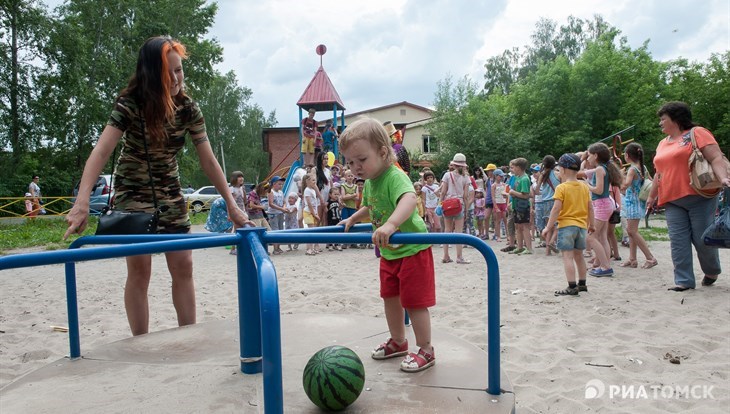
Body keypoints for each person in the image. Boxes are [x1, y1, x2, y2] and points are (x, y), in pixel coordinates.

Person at [64, 36, 250, 336]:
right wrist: (82, 201)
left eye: (180, 70)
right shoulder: (130, 104)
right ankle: (141, 341)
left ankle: (188, 335)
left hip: (169, 190)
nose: (177, 78)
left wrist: (232, 205)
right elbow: (101, 151)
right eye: (170, 72)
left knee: (183, 264)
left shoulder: (188, 108)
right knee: (140, 269)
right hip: (132, 192)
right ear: (153, 75)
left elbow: (209, 161)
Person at [338, 117, 436, 373]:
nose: (355, 167)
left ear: (383, 153)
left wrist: (391, 225)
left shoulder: (395, 176)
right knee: (390, 298)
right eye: (350, 162)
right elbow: (371, 207)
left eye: (361, 160)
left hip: (413, 250)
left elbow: (409, 200)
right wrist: (353, 217)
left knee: (415, 302)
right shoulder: (371, 181)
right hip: (391, 253)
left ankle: (426, 349)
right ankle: (399, 341)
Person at [648, 101, 729, 291]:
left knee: (702, 239)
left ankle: (712, 271)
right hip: (672, 199)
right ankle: (684, 281)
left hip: (699, 195)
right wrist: (652, 197)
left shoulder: (697, 133)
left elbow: (715, 157)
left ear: (675, 119)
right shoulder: (662, 143)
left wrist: (724, 178)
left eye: (663, 119)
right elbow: (659, 174)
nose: (660, 123)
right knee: (678, 241)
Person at [543, 153, 594, 296]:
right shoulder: (584, 186)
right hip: (582, 226)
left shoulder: (562, 188)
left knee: (567, 256)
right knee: (579, 256)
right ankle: (582, 284)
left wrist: (548, 227)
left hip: (566, 226)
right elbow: (590, 207)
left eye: (559, 169)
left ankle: (572, 286)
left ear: (564, 170)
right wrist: (592, 224)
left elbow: (556, 208)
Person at [584, 143, 623, 277]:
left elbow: (599, 190)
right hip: (605, 204)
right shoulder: (603, 167)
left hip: (601, 204)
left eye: (589, 155)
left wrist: (587, 185)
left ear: (595, 155)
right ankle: (603, 264)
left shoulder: (600, 169)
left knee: (591, 237)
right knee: (602, 237)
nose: (587, 158)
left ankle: (605, 266)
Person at [619, 143, 658, 269]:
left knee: (632, 231)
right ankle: (632, 259)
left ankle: (650, 258)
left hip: (632, 202)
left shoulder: (631, 169)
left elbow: (625, 185)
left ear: (627, 155)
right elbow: (651, 180)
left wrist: (620, 176)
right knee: (631, 232)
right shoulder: (643, 167)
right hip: (638, 202)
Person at [440, 153, 471, 264]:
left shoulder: (447, 175)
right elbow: (466, 195)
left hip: (448, 205)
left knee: (447, 230)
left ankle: (445, 255)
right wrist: (466, 209)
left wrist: (440, 203)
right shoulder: (466, 177)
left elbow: (443, 192)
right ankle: (459, 256)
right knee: (459, 231)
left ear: (454, 164)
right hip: (459, 205)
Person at [536, 155, 561, 255]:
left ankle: (547, 251)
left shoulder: (542, 174)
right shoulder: (558, 174)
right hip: (556, 200)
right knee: (558, 224)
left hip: (545, 202)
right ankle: (552, 242)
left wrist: (545, 193)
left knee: (548, 226)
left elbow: (537, 190)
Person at [508, 158, 533, 255]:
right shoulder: (517, 178)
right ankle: (520, 247)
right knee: (518, 226)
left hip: (523, 207)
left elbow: (526, 195)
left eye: (513, 167)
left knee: (525, 227)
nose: (512, 170)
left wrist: (513, 192)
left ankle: (529, 248)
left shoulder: (524, 179)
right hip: (516, 206)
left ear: (518, 168)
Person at [229, 171, 248, 256]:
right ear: (234, 179)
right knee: (236, 230)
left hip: (243, 211)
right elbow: (230, 202)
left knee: (242, 228)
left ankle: (238, 246)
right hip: (236, 211)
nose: (241, 178)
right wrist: (229, 214)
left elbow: (244, 201)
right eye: (239, 177)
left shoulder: (242, 188)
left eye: (242, 176)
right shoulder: (232, 189)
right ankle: (233, 248)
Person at [267, 176, 287, 255]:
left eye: (281, 184)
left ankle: (278, 247)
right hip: (273, 213)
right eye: (279, 184)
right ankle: (275, 248)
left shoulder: (281, 192)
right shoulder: (271, 192)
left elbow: (284, 202)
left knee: (280, 229)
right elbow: (271, 204)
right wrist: (281, 209)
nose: (280, 186)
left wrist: (284, 208)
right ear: (274, 184)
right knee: (275, 230)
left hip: (280, 213)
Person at [301, 173, 321, 255]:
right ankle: (309, 249)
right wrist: (314, 214)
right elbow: (309, 204)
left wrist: (316, 213)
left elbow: (314, 203)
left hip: (313, 212)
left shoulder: (313, 190)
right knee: (311, 231)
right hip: (308, 212)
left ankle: (311, 248)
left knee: (313, 230)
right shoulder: (307, 190)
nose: (314, 182)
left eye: (315, 180)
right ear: (307, 181)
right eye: (313, 180)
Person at [491, 169, 509, 242]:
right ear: (496, 176)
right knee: (497, 220)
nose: (501, 177)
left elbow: (507, 195)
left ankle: (508, 235)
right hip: (497, 203)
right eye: (500, 176)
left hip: (503, 203)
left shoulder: (504, 184)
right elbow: (493, 196)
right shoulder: (493, 185)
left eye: (502, 176)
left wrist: (507, 204)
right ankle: (498, 236)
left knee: (505, 220)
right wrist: (495, 206)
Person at [325, 186, 343, 251]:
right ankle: (330, 244)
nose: (336, 196)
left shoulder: (338, 202)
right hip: (331, 219)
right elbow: (325, 211)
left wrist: (341, 203)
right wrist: (324, 206)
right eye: (335, 194)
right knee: (330, 232)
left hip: (338, 219)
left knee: (338, 232)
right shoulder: (328, 202)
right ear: (330, 195)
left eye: (338, 194)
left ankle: (337, 244)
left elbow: (340, 208)